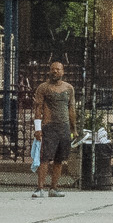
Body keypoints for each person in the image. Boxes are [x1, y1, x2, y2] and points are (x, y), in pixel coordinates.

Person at [31, 61, 77, 197]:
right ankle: (40, 188)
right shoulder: (43, 88)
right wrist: (38, 128)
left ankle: (54, 188)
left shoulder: (69, 88)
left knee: (59, 159)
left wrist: (74, 128)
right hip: (49, 126)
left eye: (58, 69)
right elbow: (38, 108)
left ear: (63, 71)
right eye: (53, 69)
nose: (55, 71)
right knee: (45, 158)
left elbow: (71, 109)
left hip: (64, 127)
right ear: (49, 71)